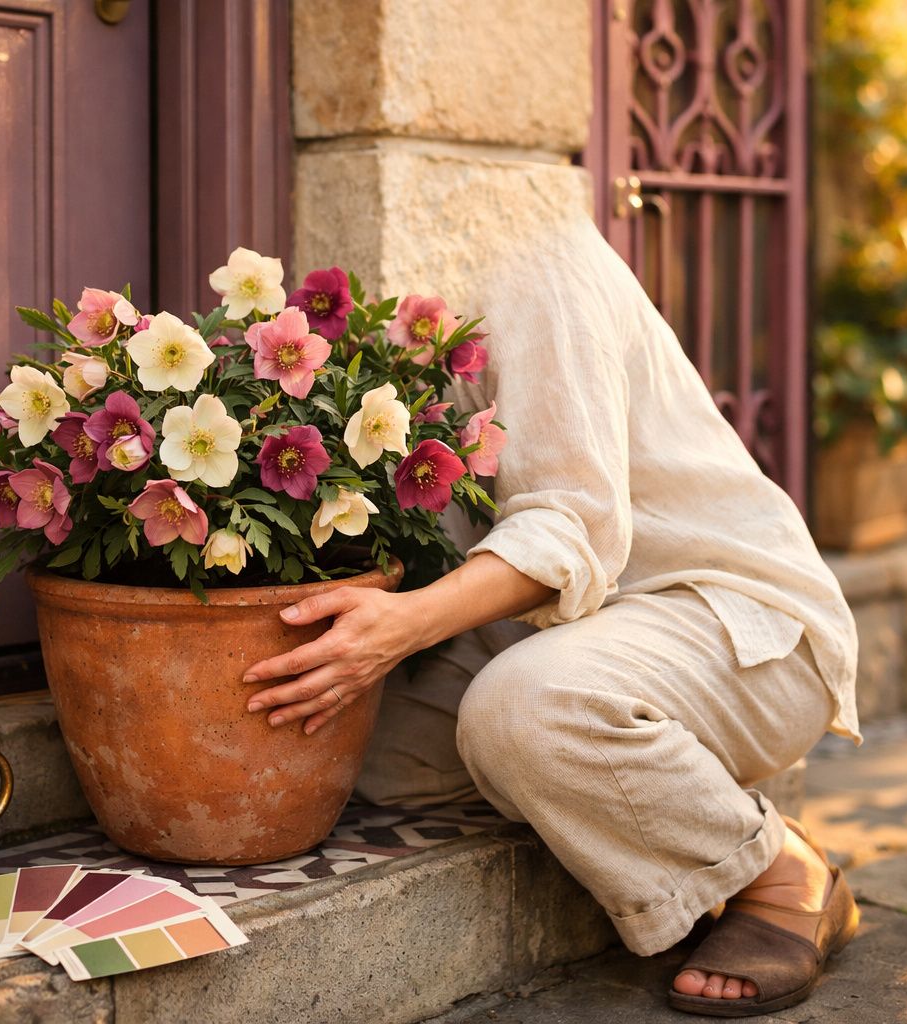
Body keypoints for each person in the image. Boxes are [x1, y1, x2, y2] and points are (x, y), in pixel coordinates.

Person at [240, 203, 862, 1016]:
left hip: (729, 617)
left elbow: (573, 523)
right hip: (563, 630)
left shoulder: (532, 250)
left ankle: (778, 867)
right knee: (371, 755)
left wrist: (400, 628)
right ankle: (645, 800)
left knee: (520, 713)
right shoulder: (380, 240)